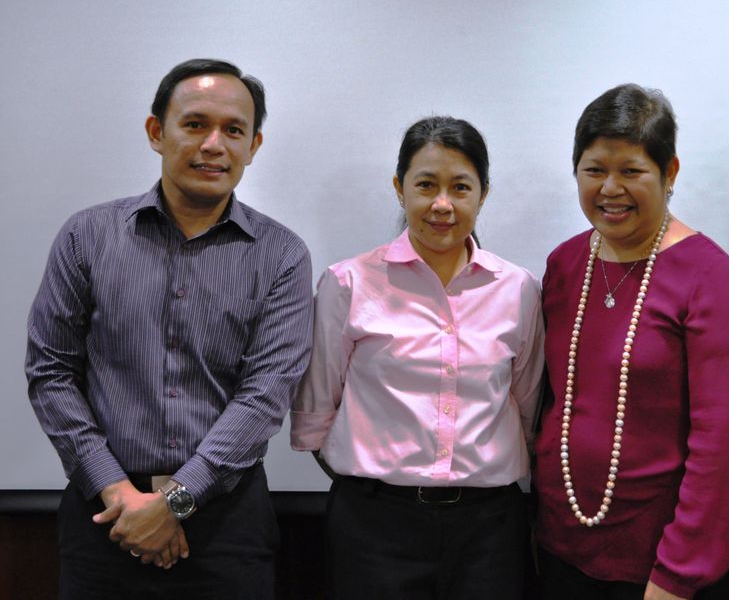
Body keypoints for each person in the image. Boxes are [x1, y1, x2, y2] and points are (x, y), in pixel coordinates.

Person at [25, 58, 313, 599]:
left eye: (233, 130)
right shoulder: (87, 237)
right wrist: (119, 495)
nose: (213, 145)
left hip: (228, 526)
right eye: (195, 124)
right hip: (103, 518)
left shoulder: (282, 256)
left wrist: (175, 502)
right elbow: (51, 373)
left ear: (253, 146)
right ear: (157, 132)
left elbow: (265, 396)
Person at [290, 115, 544, 600]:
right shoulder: (349, 283)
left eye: (460, 187)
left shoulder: (518, 289)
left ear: (483, 193)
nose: (442, 204)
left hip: (489, 529)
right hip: (374, 527)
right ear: (399, 188)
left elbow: (527, 404)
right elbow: (318, 408)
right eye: (425, 184)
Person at [533, 84, 729, 600]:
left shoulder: (710, 279)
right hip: (557, 549)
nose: (610, 188)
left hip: (659, 568)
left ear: (670, 172)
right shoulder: (565, 264)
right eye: (594, 171)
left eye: (631, 171)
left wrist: (680, 572)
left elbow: (721, 446)